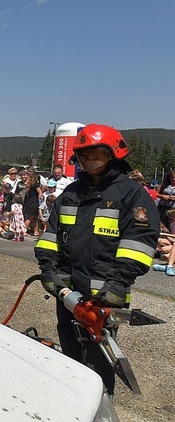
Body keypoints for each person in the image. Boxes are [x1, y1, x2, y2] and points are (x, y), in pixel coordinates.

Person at [34, 124, 158, 395]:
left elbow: (138, 244)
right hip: (67, 294)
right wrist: (49, 270)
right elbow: (50, 236)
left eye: (96, 155)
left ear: (115, 154)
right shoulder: (71, 194)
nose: (89, 162)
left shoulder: (131, 195)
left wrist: (117, 285)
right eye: (83, 156)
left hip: (104, 298)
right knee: (70, 361)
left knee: (97, 369)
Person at [22, 166, 43, 237]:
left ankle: (35, 231)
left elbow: (39, 192)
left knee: (34, 217)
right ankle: (23, 230)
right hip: (31, 201)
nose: (28, 173)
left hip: (32, 201)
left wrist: (41, 195)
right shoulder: (32, 182)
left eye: (29, 172)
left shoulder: (33, 182)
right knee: (30, 217)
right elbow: (39, 192)